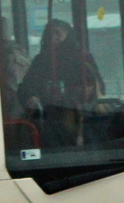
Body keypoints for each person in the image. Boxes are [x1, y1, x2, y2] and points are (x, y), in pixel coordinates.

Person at [18, 19, 102, 147]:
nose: (53, 37)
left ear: (68, 34)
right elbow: (27, 85)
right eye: (49, 34)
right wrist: (31, 96)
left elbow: (96, 85)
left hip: (80, 114)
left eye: (58, 33)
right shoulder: (41, 61)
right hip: (48, 115)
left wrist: (78, 94)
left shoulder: (82, 58)